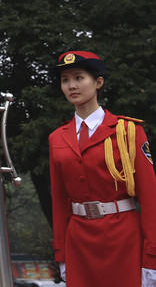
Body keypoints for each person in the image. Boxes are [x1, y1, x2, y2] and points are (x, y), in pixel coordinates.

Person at [48, 50, 156, 287]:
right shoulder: (57, 138)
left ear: (98, 82)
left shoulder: (127, 131)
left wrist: (152, 258)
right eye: (65, 80)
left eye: (79, 78)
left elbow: (150, 197)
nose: (71, 86)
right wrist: (61, 254)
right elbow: (59, 201)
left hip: (123, 238)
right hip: (78, 241)